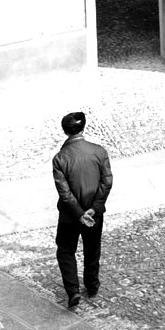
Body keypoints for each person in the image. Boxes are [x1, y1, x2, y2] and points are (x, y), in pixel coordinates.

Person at [52, 111, 113, 308]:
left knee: (66, 250)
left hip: (70, 215)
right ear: (83, 128)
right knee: (92, 249)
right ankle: (92, 286)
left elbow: (64, 192)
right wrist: (93, 209)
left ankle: (73, 291)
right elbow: (107, 182)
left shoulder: (60, 158)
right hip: (94, 213)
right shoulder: (99, 151)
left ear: (64, 131)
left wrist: (79, 214)